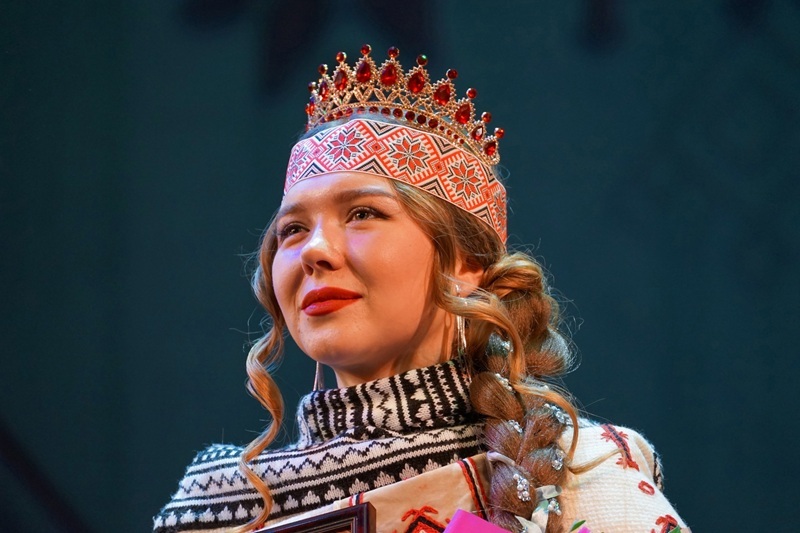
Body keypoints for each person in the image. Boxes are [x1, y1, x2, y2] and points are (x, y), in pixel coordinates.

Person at [153, 45, 688, 533]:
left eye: (363, 214)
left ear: (466, 263)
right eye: (292, 228)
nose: (314, 250)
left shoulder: (580, 476)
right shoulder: (214, 508)